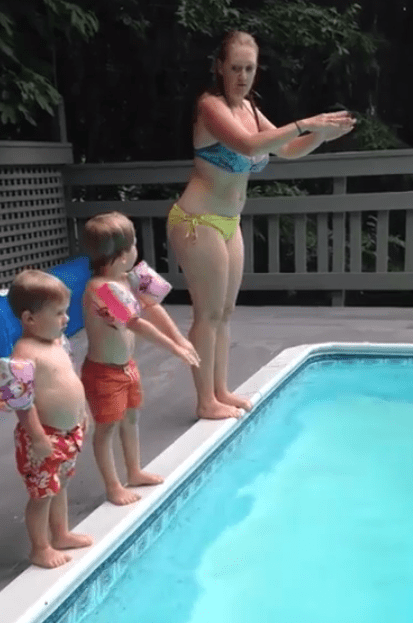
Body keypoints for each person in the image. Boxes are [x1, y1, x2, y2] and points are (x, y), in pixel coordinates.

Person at [167, 30, 355, 420]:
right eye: (235, 68)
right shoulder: (210, 107)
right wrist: (307, 121)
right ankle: (205, 402)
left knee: (226, 311)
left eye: (249, 68)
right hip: (196, 220)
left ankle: (220, 391)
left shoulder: (250, 111)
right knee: (207, 313)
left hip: (229, 221)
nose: (242, 76)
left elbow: (287, 149)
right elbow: (251, 147)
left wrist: (321, 134)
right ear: (219, 67)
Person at [81, 211, 200, 506]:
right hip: (103, 373)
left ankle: (134, 471)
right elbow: (136, 323)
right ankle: (113, 486)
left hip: (126, 367)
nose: (137, 249)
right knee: (107, 428)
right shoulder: (101, 289)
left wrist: (179, 337)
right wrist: (174, 348)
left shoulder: (129, 276)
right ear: (122, 254)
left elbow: (154, 306)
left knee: (131, 418)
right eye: (133, 244)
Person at [1, 270, 93, 568]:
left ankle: (61, 533)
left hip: (68, 433)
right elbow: (23, 404)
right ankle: (40, 548)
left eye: (66, 311)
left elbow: (68, 380)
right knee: (42, 495)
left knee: (60, 485)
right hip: (42, 437)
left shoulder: (57, 341)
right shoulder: (23, 355)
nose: (66, 319)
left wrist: (82, 413)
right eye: (58, 313)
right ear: (29, 319)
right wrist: (38, 438)